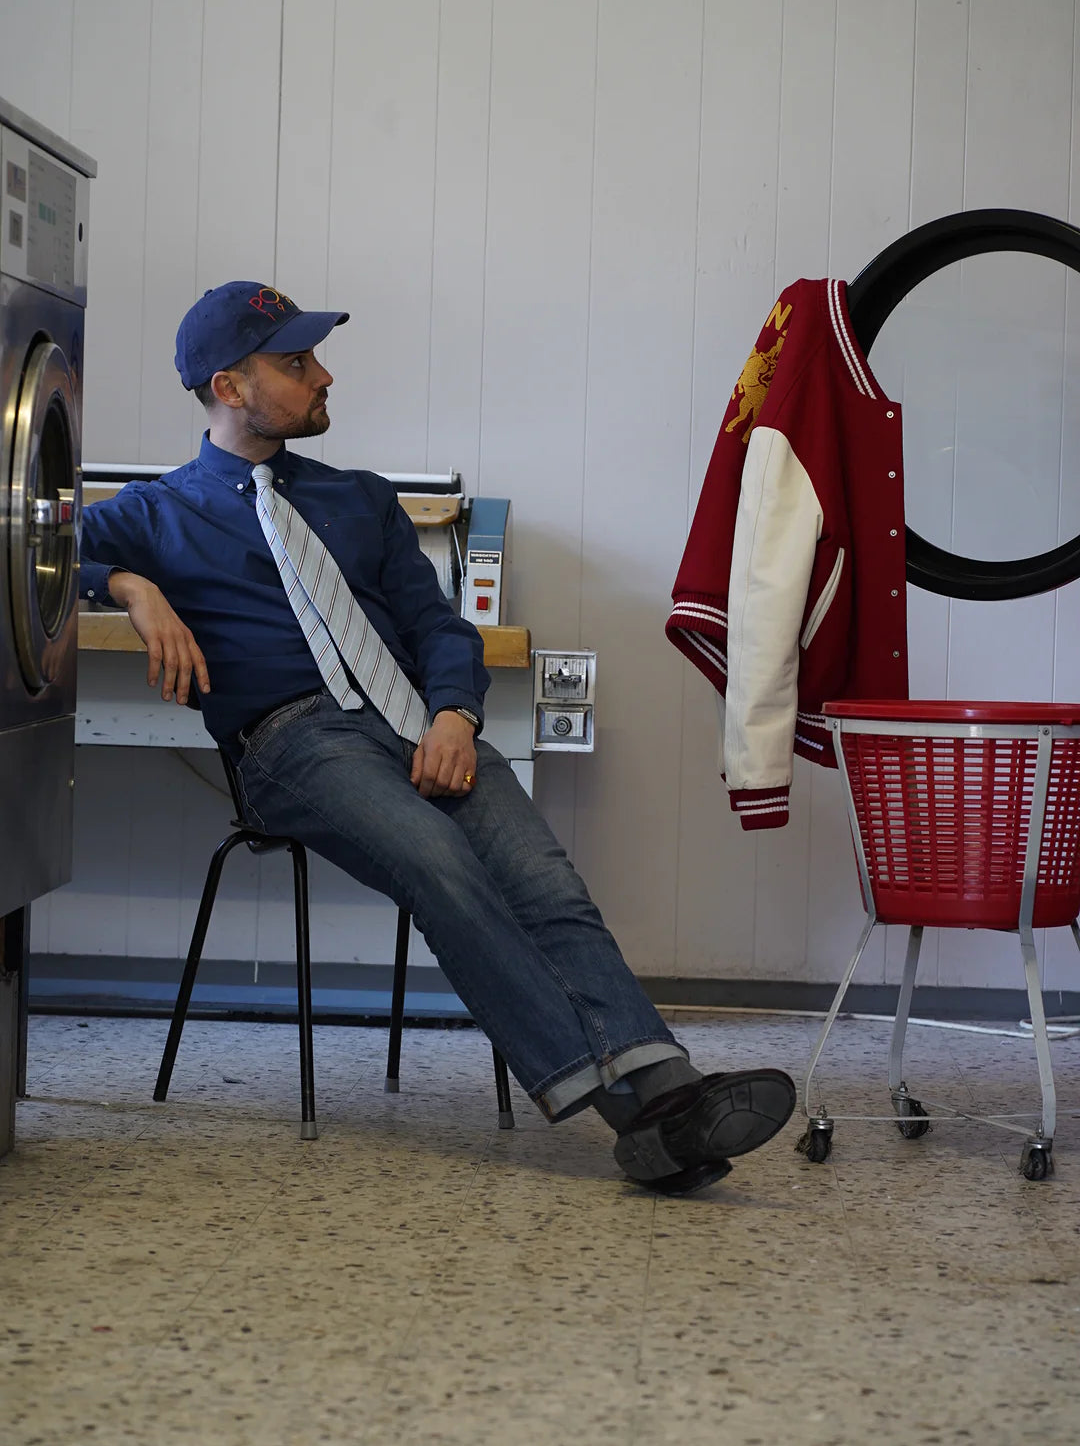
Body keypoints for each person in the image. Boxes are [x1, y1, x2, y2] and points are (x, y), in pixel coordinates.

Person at [79, 281, 796, 1196]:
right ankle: (645, 1109)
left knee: (546, 882)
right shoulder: (154, 514)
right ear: (229, 386)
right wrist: (132, 587)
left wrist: (456, 713)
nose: (323, 376)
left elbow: (438, 628)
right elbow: (31, 545)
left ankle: (666, 1102)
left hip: (417, 719)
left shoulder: (360, 500)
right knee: (440, 861)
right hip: (293, 742)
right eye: (295, 363)